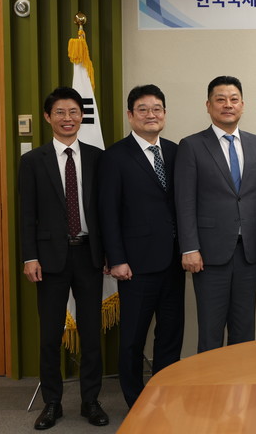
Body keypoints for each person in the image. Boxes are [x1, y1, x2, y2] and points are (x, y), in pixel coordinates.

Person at [19, 87, 109, 429]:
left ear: (81, 116)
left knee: (91, 333)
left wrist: (109, 253)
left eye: (73, 112)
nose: (67, 118)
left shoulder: (98, 158)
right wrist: (30, 257)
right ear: (48, 117)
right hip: (49, 259)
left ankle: (90, 401)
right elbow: (27, 215)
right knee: (49, 335)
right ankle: (52, 403)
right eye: (60, 112)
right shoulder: (33, 161)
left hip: (89, 255)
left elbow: (106, 212)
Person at [98, 85, 184, 408]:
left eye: (157, 108)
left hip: (174, 260)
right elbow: (108, 212)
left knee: (170, 334)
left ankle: (164, 394)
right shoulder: (115, 156)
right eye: (143, 109)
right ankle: (135, 401)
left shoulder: (176, 152)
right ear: (130, 115)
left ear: (165, 114)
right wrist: (116, 258)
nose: (151, 115)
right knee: (133, 338)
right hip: (134, 265)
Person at [174, 75, 256, 351]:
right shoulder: (192, 145)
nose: (227, 105)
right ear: (208, 105)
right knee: (211, 329)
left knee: (244, 328)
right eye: (220, 99)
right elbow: (184, 201)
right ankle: (210, 381)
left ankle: (241, 378)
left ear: (242, 105)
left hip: (249, 251)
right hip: (208, 253)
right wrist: (189, 248)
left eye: (233, 99)